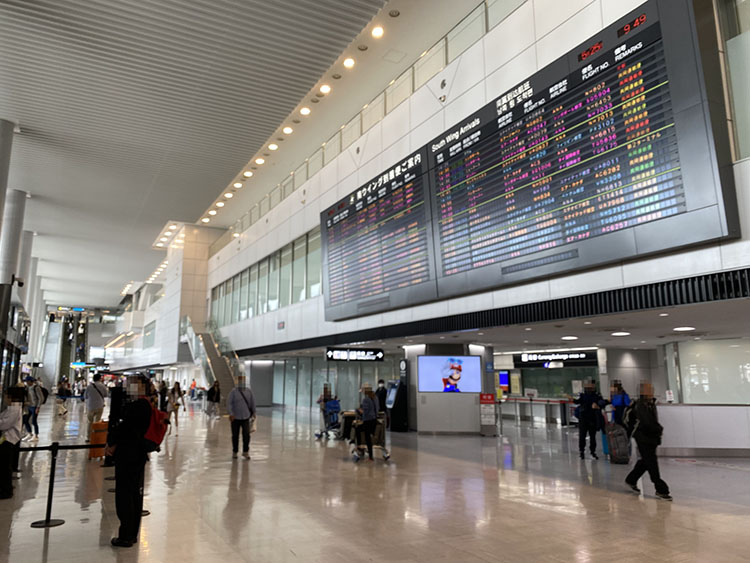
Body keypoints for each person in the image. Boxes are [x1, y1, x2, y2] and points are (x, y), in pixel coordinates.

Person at [105, 375, 153, 547]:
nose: (129, 387)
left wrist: (112, 442)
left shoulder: (139, 405)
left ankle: (126, 535)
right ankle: (130, 533)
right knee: (133, 493)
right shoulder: (143, 403)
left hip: (129, 454)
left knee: (126, 494)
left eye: (134, 384)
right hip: (136, 453)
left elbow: (126, 428)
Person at [625, 382, 672, 501]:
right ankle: (661, 489)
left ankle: (631, 479)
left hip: (651, 437)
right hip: (643, 437)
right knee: (651, 463)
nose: (652, 391)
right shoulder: (641, 405)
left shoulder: (650, 403)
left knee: (647, 460)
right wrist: (659, 429)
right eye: (649, 389)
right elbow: (647, 423)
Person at [572, 380, 606, 460]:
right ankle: (582, 451)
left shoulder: (597, 395)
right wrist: (572, 398)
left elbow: (601, 403)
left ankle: (592, 452)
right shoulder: (583, 395)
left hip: (592, 419)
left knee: (592, 437)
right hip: (583, 418)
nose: (590, 387)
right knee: (582, 436)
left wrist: (598, 405)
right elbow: (577, 401)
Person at [0, 387, 24, 499]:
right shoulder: (13, 408)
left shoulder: (14, 409)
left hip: (9, 439)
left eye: (5, 395)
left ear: (10, 397)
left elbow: (5, 424)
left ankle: (6, 490)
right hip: (7, 438)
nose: (4, 398)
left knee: (5, 466)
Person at [227, 376, 256, 460]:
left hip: (246, 417)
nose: (241, 383)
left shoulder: (249, 392)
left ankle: (245, 451)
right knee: (235, 435)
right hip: (235, 418)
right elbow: (229, 403)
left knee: (246, 435)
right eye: (240, 381)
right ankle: (235, 451)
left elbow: (252, 402)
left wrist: (254, 412)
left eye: (243, 381)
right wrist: (231, 413)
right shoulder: (233, 392)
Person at [354, 384, 379, 462]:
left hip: (368, 421)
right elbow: (378, 408)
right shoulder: (375, 398)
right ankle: (370, 455)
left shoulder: (366, 399)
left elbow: (365, 411)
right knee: (368, 437)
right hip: (374, 421)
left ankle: (360, 447)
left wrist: (358, 410)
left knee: (358, 429)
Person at [84, 373, 108, 441]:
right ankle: (95, 437)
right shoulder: (102, 386)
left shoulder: (89, 386)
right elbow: (106, 395)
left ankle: (88, 438)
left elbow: (85, 396)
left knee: (89, 422)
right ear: (100, 378)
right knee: (97, 422)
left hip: (90, 406)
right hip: (99, 406)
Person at [23, 376, 44, 441]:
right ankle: (29, 433)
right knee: (25, 420)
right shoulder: (27, 388)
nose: (26, 382)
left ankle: (36, 435)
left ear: (30, 381)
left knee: (34, 421)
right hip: (29, 406)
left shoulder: (36, 388)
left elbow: (41, 398)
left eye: (27, 381)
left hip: (34, 406)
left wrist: (38, 407)